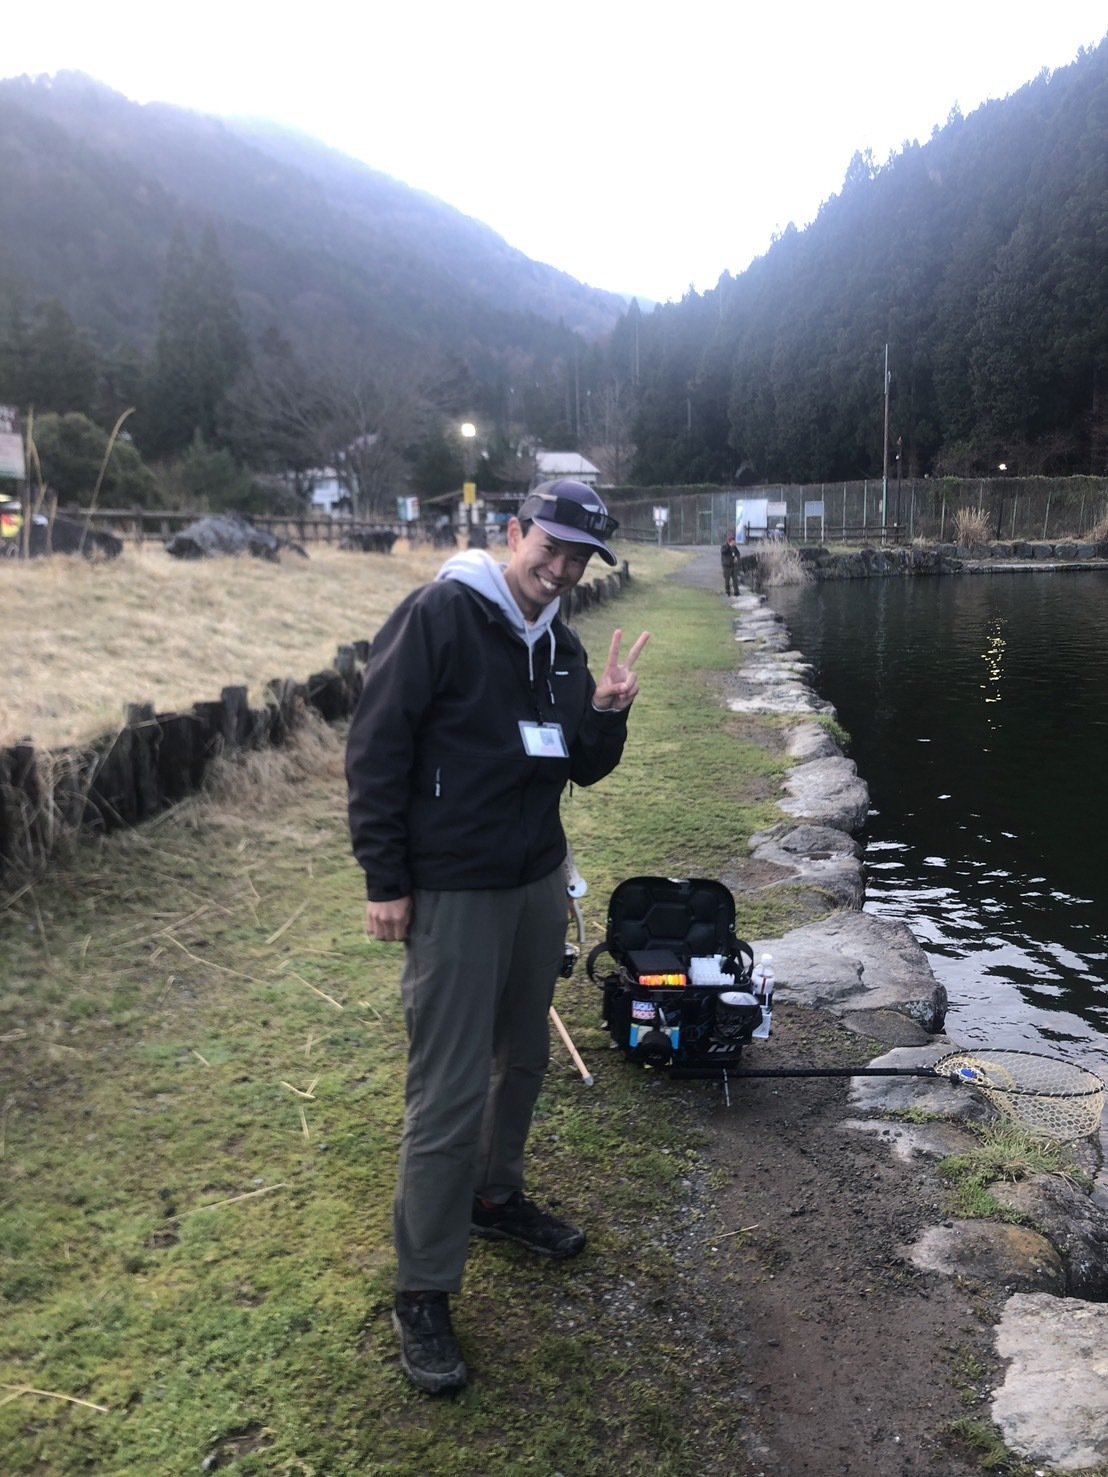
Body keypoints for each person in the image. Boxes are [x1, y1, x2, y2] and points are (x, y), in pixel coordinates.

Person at [346, 478, 649, 1395]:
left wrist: (607, 710)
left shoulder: (560, 644)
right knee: (445, 1088)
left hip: (535, 880)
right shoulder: (440, 614)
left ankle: (495, 1195)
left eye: (578, 559)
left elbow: (580, 764)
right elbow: (377, 746)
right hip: (452, 888)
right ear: (515, 533)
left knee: (522, 1057)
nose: (560, 570)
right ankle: (422, 1288)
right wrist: (386, 878)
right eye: (549, 548)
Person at [720, 531, 741, 595]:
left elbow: (738, 553)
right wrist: (729, 546)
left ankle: (736, 592)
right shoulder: (724, 546)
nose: (734, 542)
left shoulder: (734, 547)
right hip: (726, 566)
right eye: (733, 541)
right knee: (727, 580)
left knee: (735, 579)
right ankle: (727, 591)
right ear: (730, 541)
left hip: (733, 565)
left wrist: (737, 557)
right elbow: (723, 552)